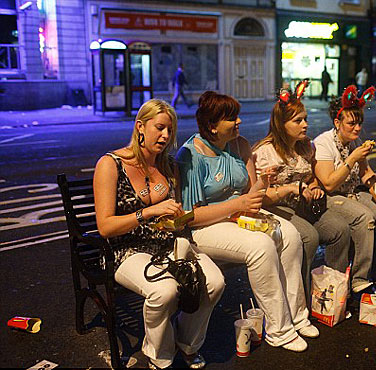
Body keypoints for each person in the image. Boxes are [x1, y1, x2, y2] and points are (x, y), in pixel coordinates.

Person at [176, 91, 319, 353]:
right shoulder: (190, 156)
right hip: (207, 226)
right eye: (231, 118)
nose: (238, 121)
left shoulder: (240, 144)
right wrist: (236, 206)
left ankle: (298, 316)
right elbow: (192, 217)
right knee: (261, 247)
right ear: (212, 126)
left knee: (290, 234)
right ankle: (279, 330)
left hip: (240, 216)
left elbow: (254, 193)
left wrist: (265, 180)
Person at [93, 99, 225, 369]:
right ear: (140, 127)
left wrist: (177, 217)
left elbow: (176, 213)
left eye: (170, 131)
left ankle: (188, 344)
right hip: (124, 249)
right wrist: (149, 213)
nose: (166, 136)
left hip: (165, 244)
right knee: (164, 291)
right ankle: (159, 356)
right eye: (160, 128)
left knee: (214, 282)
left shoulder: (167, 165)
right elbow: (105, 227)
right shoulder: (110, 164)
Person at [253, 81, 352, 304]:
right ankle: (302, 298)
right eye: (298, 120)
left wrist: (314, 187)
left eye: (305, 118)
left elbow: (312, 178)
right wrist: (290, 188)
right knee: (309, 236)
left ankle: (332, 291)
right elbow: (259, 196)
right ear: (281, 124)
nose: (305, 124)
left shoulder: (306, 146)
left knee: (340, 229)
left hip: (304, 206)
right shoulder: (264, 152)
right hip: (275, 208)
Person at [314, 85, 376, 294]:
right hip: (331, 196)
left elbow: (366, 173)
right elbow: (329, 184)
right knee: (365, 217)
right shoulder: (323, 143)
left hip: (353, 192)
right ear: (337, 122)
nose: (357, 128)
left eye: (359, 123)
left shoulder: (355, 142)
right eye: (352, 123)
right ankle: (358, 279)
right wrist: (352, 158)